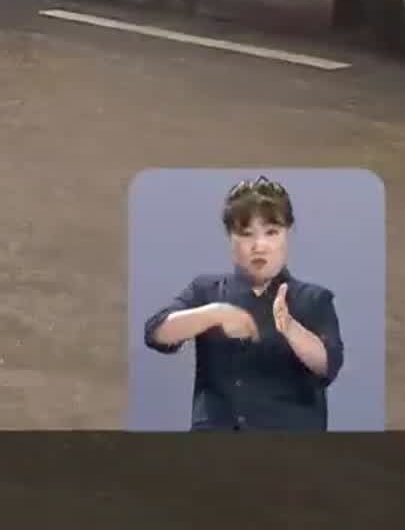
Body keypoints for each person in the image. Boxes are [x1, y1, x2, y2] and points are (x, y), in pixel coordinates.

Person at [142, 176, 344, 430]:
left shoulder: (314, 299)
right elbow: (156, 334)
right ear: (230, 237)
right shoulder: (207, 291)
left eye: (271, 232)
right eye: (246, 234)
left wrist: (291, 329)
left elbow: (329, 365)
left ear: (287, 233)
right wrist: (215, 314)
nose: (259, 246)